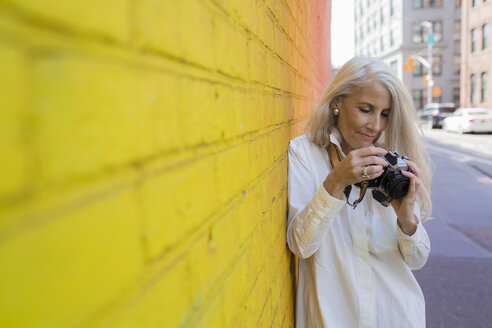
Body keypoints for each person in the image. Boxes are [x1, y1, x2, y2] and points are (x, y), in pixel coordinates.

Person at [287, 56, 432, 328]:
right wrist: (336, 181)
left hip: (396, 316)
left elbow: (417, 260)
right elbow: (301, 246)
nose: (375, 126)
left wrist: (407, 220)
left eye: (385, 114)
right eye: (366, 109)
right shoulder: (305, 153)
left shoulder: (391, 162)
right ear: (337, 102)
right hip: (333, 319)